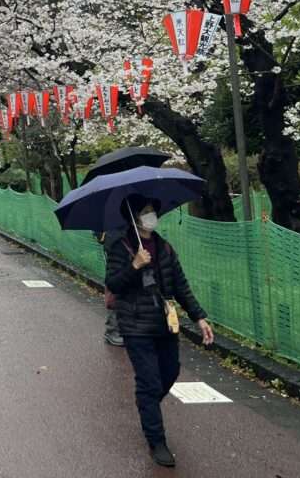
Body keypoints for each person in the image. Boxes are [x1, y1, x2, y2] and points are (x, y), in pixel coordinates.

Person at [105, 195, 214, 469]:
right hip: (136, 325)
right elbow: (113, 284)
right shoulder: (122, 248)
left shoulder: (164, 248)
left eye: (153, 210)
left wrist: (199, 317)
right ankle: (157, 441)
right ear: (134, 217)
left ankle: (147, 405)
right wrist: (135, 265)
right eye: (145, 211)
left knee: (170, 372)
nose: (151, 216)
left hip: (166, 323)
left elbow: (180, 284)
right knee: (149, 382)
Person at [100, 228, 125, 347]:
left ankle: (121, 329)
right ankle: (112, 331)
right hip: (115, 245)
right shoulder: (112, 219)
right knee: (115, 290)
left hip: (126, 247)